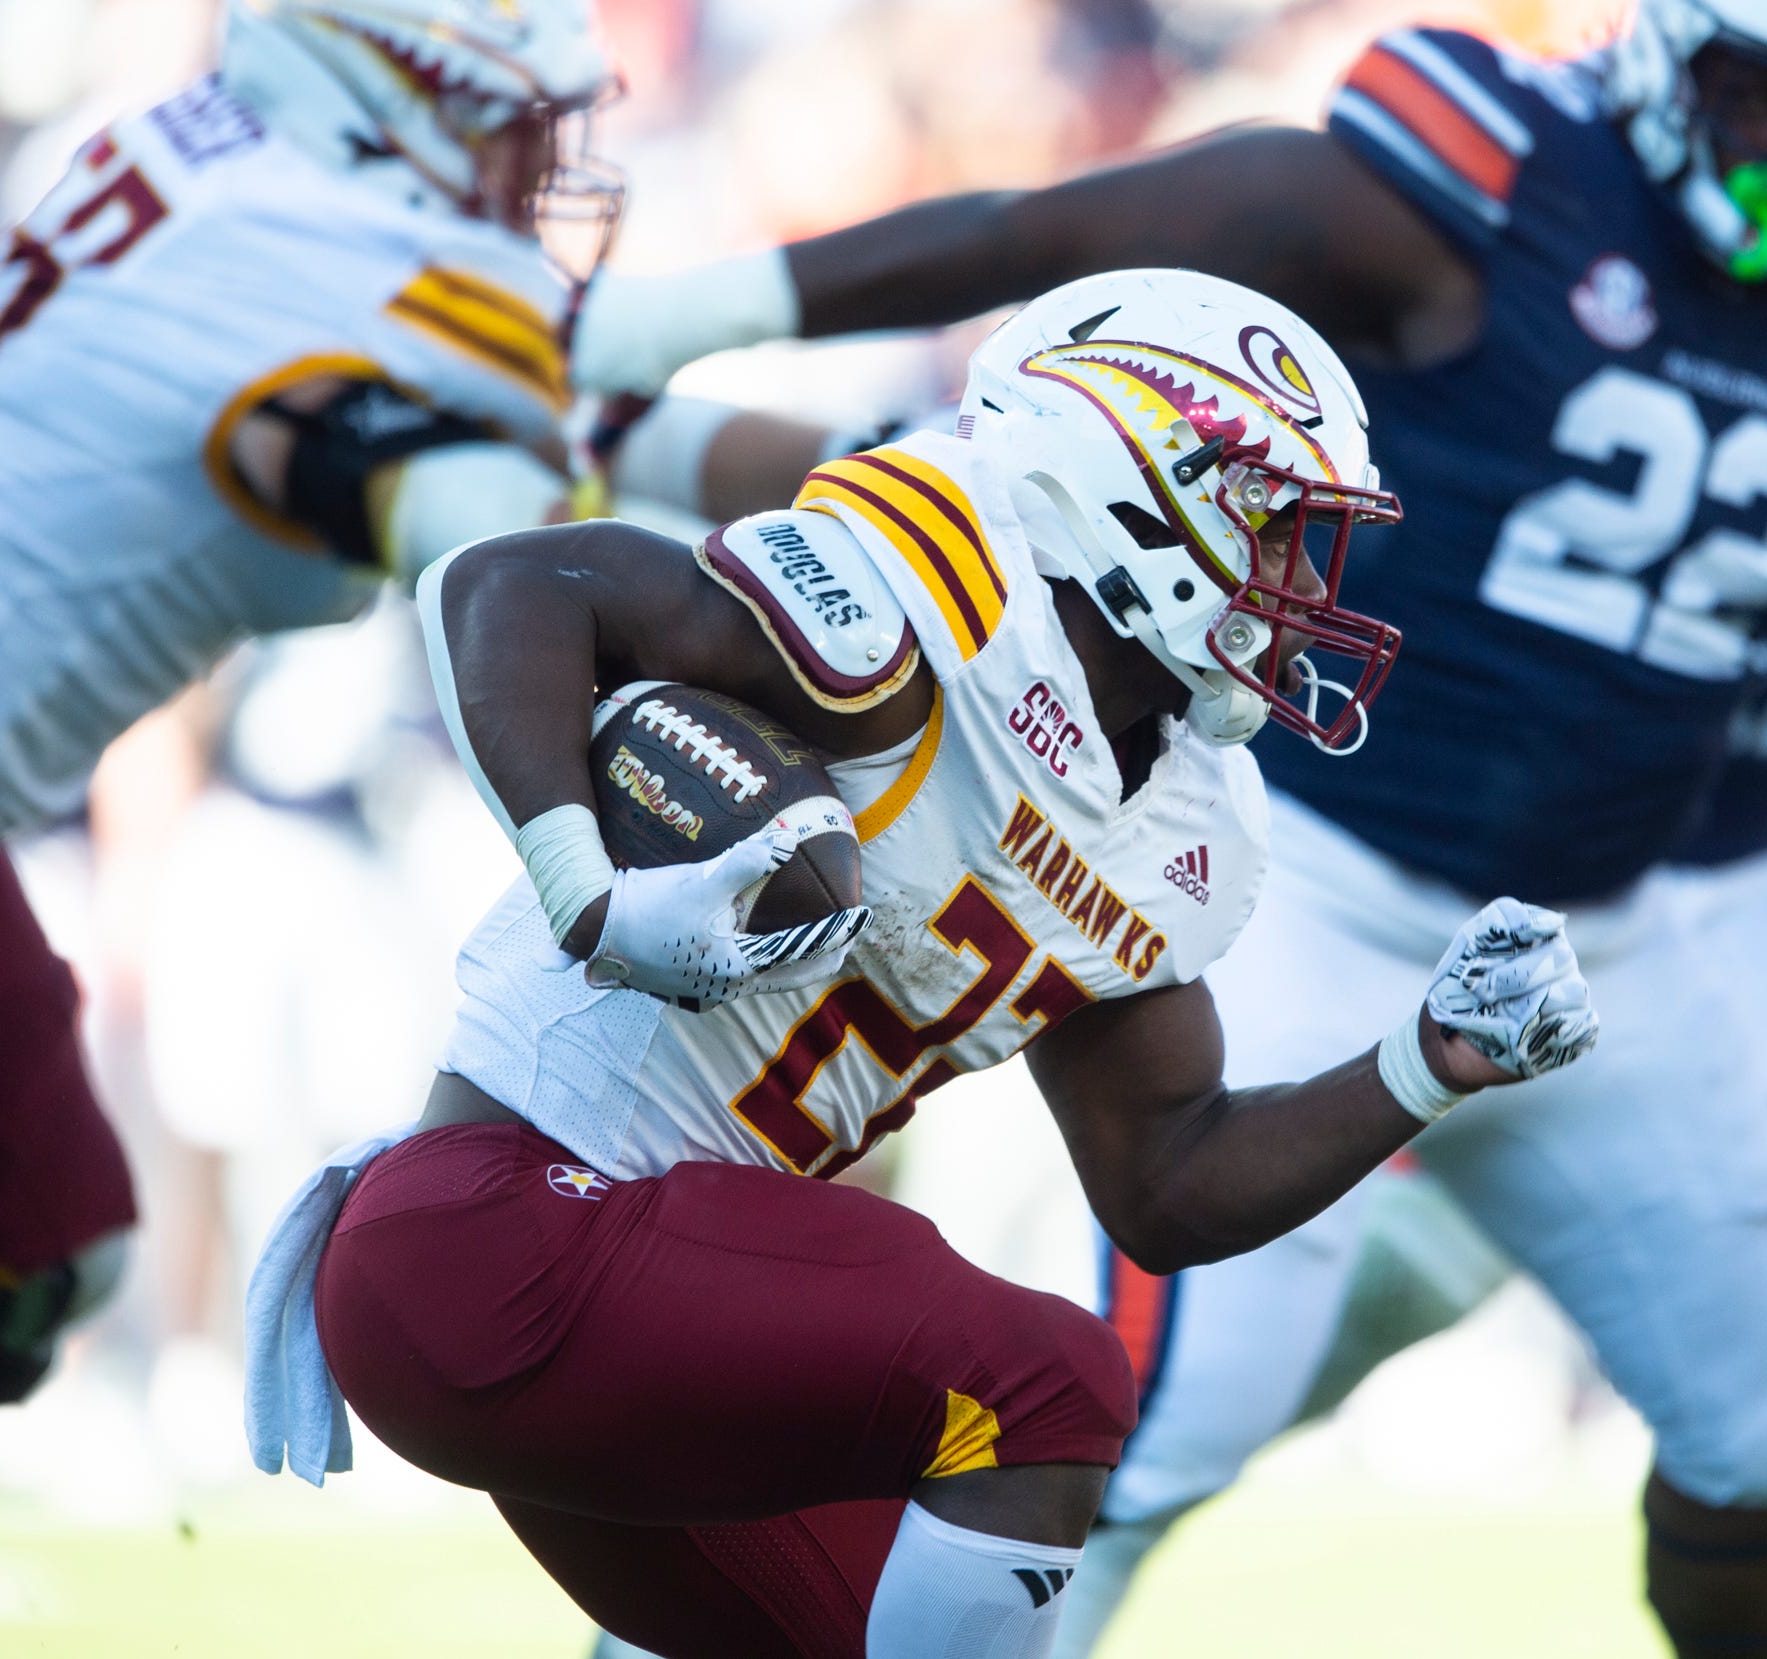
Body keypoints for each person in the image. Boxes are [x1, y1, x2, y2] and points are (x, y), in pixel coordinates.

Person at [548, 0, 1767, 1652]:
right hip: (1307, 871)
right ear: (1672, 59)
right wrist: (688, 309)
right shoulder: (1495, 175)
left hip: (1614, 926)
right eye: (1766, 97)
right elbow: (1053, 232)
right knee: (1138, 1424)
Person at [241, 268, 1600, 1659]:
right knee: (1043, 1382)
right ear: (1119, 482)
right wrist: (589, 895)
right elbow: (509, 582)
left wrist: (1419, 1067)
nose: (1307, 585)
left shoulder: (1191, 829)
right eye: (1275, 524)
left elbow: (1169, 1181)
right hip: (505, 1226)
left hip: (641, 1295)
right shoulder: (928, 595)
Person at [0, 1, 661, 1647]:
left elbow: (562, 422)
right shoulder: (308, 258)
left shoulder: (229, 180)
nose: (541, 170)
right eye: (509, 125)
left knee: (32, 1255)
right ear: (387, 95)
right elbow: (486, 524)